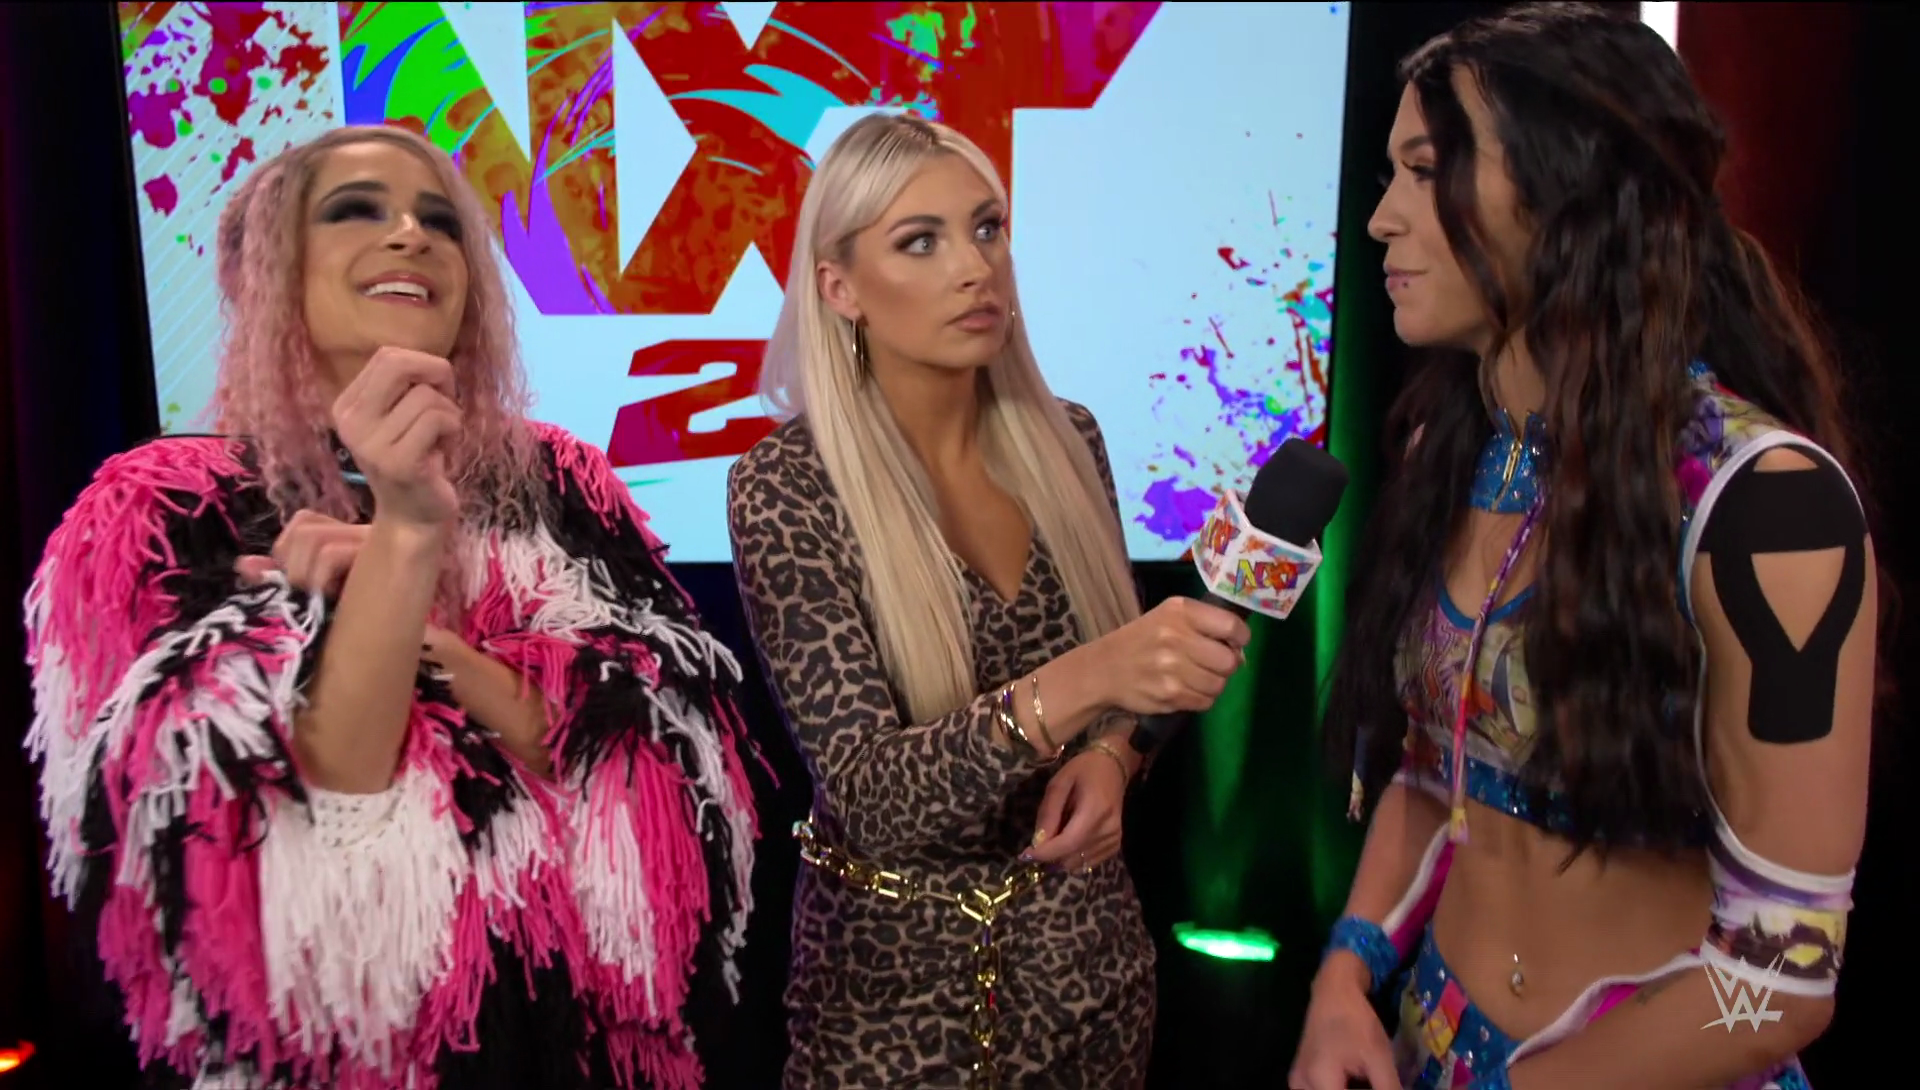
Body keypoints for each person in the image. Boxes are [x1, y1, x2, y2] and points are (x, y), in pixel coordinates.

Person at [21, 126, 757, 1090]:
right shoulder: (160, 509)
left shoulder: (563, 482)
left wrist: (415, 634)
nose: (411, 234)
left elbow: (660, 777)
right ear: (266, 269)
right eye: (355, 211)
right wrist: (409, 530)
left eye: (439, 221)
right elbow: (273, 842)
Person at [1292, 6, 1883, 1090]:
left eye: (1426, 171)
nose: (1380, 219)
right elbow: (1433, 774)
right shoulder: (1450, 446)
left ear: (1565, 190)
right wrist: (1343, 976)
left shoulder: (1766, 505)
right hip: (1430, 1047)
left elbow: (1781, 981)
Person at [726, 113, 1251, 1089]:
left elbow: (1132, 703)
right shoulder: (786, 488)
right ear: (839, 287)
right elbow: (872, 798)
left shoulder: (1070, 440)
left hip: (1091, 983)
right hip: (888, 1007)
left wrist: (1115, 753)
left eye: (987, 229)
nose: (975, 267)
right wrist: (1089, 677)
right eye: (920, 241)